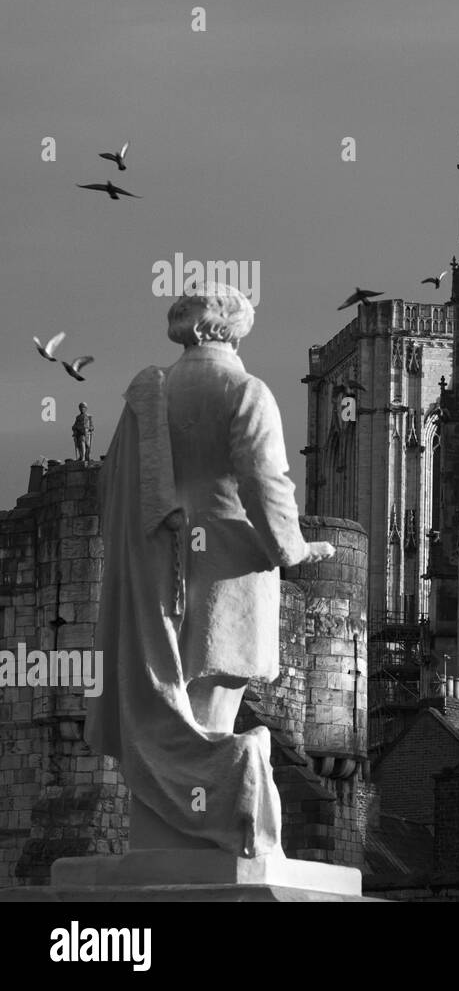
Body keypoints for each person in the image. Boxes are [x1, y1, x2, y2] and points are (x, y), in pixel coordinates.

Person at [86, 285, 334, 858]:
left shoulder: (148, 397)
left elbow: (115, 488)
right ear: (234, 330)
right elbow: (264, 482)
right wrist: (293, 549)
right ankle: (209, 826)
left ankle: (173, 829)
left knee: (178, 694)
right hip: (231, 566)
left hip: (161, 567)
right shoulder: (245, 391)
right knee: (214, 709)